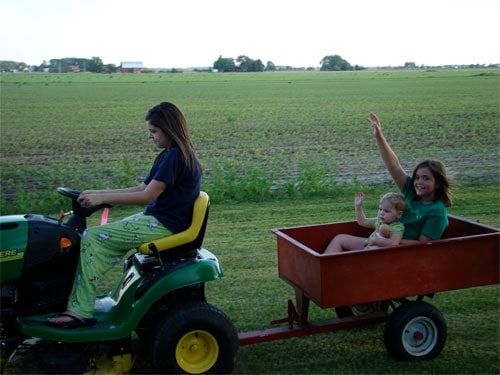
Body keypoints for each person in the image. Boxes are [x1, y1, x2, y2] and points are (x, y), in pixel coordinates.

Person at [46, 102, 201, 328]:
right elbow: (140, 188)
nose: (151, 137)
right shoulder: (169, 155)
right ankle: (78, 300)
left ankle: (79, 311)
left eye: (154, 132)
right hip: (158, 219)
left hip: (164, 224)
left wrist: (102, 199)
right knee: (97, 235)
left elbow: (146, 197)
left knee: (92, 237)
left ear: (169, 129)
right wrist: (99, 194)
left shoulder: (175, 157)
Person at [365, 112, 451, 245]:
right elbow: (394, 166)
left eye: (426, 178)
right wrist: (379, 136)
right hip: (383, 242)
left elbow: (423, 245)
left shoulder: (437, 212)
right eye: (417, 177)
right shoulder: (412, 191)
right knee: (340, 239)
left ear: (438, 183)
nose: (419, 182)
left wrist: (386, 241)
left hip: (402, 253)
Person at [324, 192, 406, 253]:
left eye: (387, 211)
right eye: (380, 209)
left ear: (399, 214)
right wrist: (358, 207)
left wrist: (375, 241)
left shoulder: (396, 227)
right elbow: (362, 221)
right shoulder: (379, 221)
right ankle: (323, 265)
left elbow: (393, 243)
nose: (381, 213)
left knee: (370, 250)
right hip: (369, 245)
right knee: (340, 238)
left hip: (380, 253)